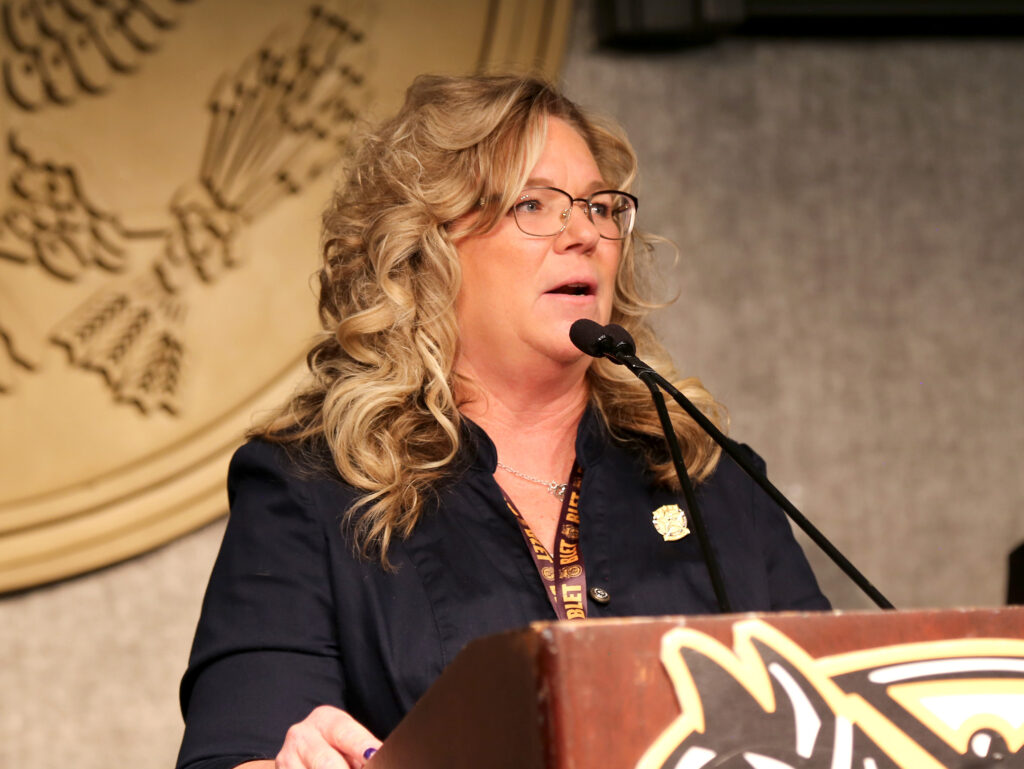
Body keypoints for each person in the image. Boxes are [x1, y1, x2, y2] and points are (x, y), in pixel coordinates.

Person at [176, 73, 829, 769]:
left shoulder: (710, 476)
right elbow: (236, 750)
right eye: (534, 204)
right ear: (427, 248)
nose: (586, 234)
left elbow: (837, 722)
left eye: (601, 207)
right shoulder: (314, 490)